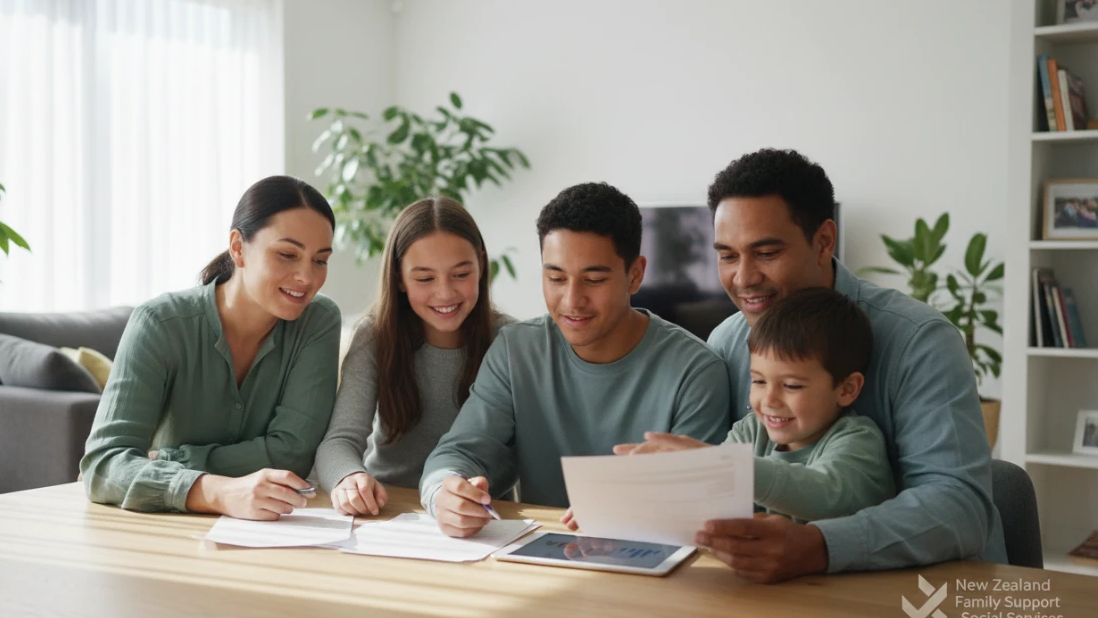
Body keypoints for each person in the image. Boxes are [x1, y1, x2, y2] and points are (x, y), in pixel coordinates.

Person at [616, 149, 1005, 582]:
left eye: (765, 252)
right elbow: (717, 482)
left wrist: (820, 546)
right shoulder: (728, 341)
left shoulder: (919, 341)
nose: (743, 278)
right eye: (727, 255)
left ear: (823, 241)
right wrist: (625, 506)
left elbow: (960, 508)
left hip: (934, 601)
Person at [420, 182, 731, 537]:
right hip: (541, 552)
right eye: (555, 277)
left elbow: (701, 504)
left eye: (594, 279)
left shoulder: (696, 371)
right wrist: (444, 492)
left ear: (635, 274)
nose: (571, 300)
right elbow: (459, 452)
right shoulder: (516, 350)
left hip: (653, 555)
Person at [81, 176, 341, 519]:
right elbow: (103, 464)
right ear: (238, 247)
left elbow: (293, 453)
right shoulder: (159, 324)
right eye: (287, 255)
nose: (307, 278)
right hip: (160, 526)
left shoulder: (317, 322)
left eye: (319, 260)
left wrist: (173, 461)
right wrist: (214, 491)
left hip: (272, 527)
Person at [616, 287, 894, 525]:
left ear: (847, 389)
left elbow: (824, 493)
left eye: (792, 385)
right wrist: (624, 507)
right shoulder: (751, 431)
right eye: (759, 381)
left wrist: (725, 468)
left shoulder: (858, 441)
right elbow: (710, 494)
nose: (769, 401)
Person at [313, 197, 515, 516]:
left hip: (483, 513)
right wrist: (349, 478)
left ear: (481, 266)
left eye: (461, 274)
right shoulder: (375, 336)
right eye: (424, 278)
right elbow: (339, 440)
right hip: (390, 507)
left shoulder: (510, 342)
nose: (445, 293)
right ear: (399, 278)